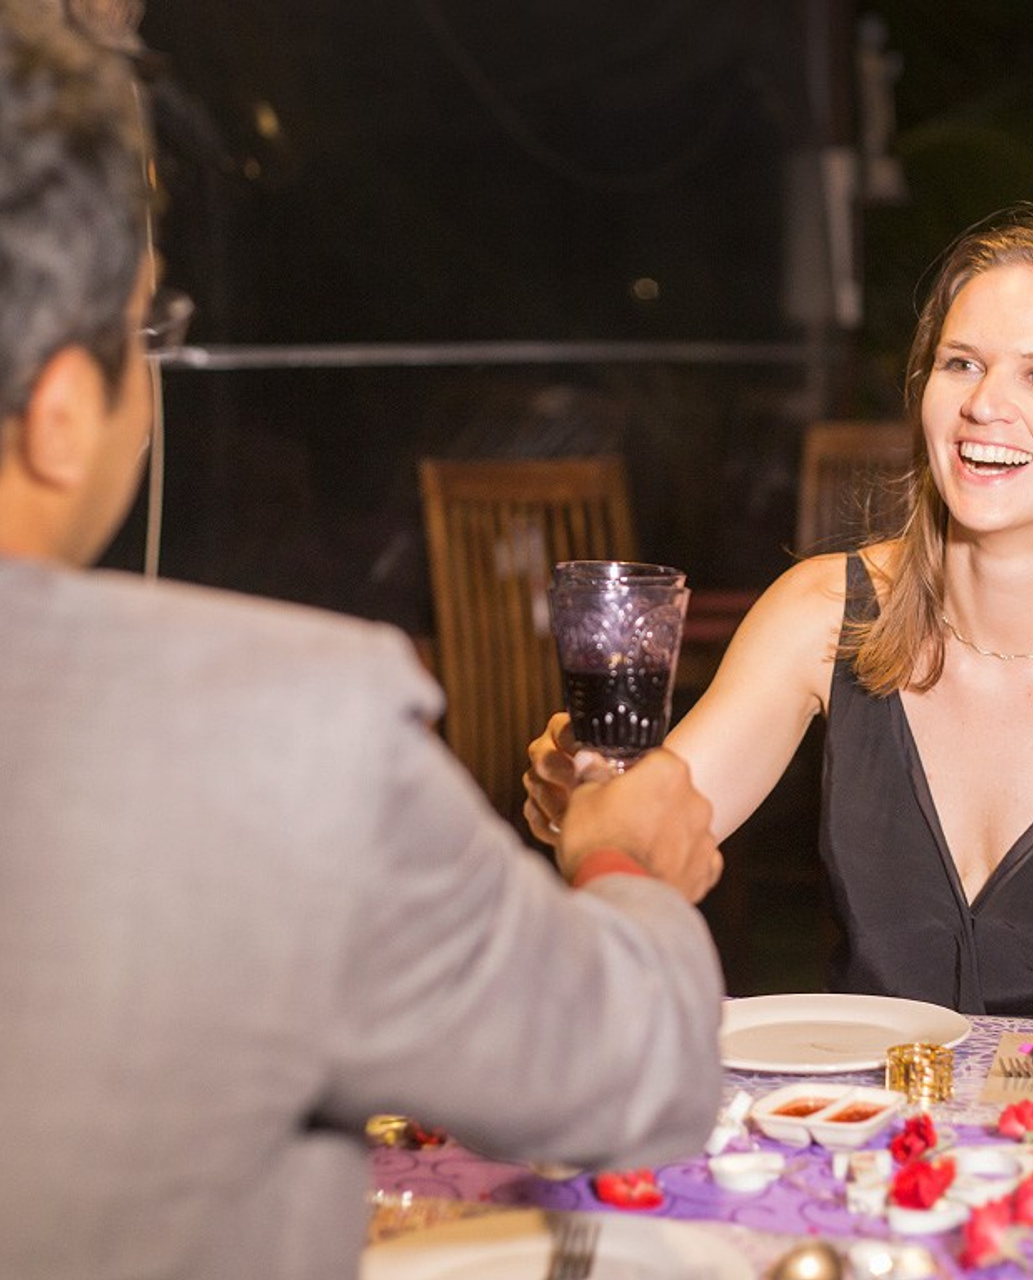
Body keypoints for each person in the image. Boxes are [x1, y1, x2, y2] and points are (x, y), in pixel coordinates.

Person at [0, 6, 726, 1279]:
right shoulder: (286, 736)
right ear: (63, 411)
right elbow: (628, 1066)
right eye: (143, 328)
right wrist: (622, 864)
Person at [529, 206, 1033, 1033]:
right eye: (962, 363)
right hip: (857, 1135)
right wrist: (586, 804)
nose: (985, 404)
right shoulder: (821, 612)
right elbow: (651, 834)